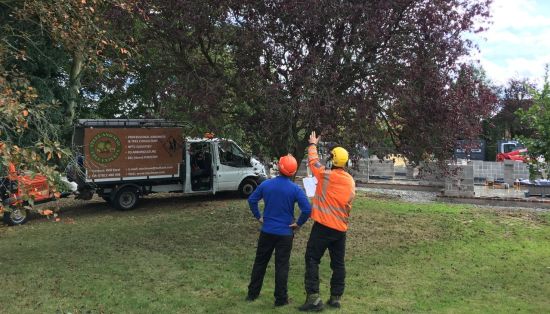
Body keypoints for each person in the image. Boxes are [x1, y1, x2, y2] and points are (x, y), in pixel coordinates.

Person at [299, 131, 356, 311]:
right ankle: (336, 297)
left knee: (312, 258)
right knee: (338, 263)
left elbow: (313, 162)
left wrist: (313, 144)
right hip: (340, 230)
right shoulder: (350, 181)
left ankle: (313, 298)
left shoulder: (325, 175)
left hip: (323, 227)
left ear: (331, 160)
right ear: (347, 163)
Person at [246, 154, 312, 307]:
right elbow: (307, 209)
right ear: (293, 171)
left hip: (267, 231)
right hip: (285, 234)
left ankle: (252, 294)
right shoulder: (295, 189)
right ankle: (281, 299)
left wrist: (258, 216)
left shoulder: (266, 184)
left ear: (279, 167)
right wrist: (298, 223)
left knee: (260, 263)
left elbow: (252, 200)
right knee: (282, 266)